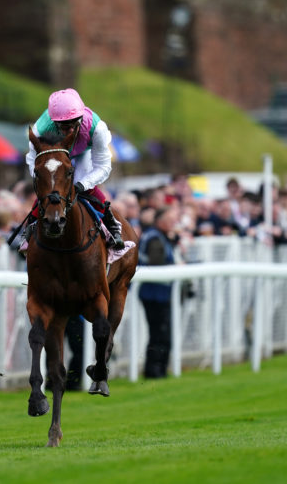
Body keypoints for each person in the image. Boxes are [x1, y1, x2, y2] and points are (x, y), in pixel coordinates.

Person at [13, 88, 124, 250]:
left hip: (84, 153)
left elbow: (103, 166)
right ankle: (30, 226)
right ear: (54, 122)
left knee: (82, 182)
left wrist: (81, 185)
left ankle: (112, 225)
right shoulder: (39, 131)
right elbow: (32, 161)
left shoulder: (97, 128)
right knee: (51, 188)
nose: (70, 131)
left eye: (74, 124)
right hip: (54, 154)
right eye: (64, 127)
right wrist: (47, 181)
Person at [138, 206, 178, 379]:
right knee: (160, 334)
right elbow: (157, 265)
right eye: (170, 221)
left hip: (155, 292)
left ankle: (158, 370)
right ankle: (155, 371)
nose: (173, 224)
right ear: (160, 222)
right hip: (155, 293)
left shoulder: (157, 235)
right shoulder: (155, 238)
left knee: (160, 334)